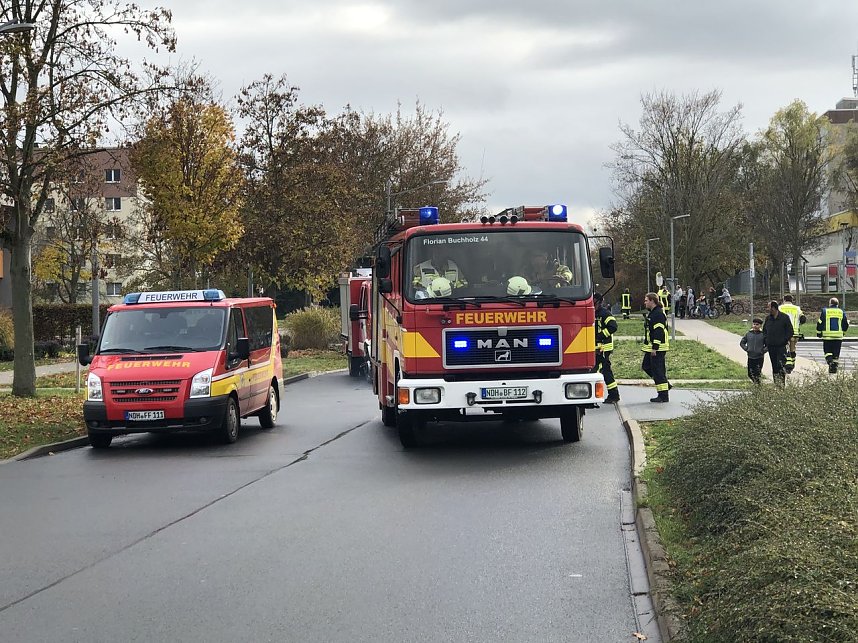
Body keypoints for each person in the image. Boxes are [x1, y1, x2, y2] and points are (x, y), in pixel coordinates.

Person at [641, 292, 670, 403]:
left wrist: (655, 347)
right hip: (652, 347)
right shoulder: (653, 313)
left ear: (652, 301)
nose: (645, 302)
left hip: (658, 347)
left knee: (658, 371)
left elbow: (658, 332)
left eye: (646, 300)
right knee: (646, 366)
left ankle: (663, 395)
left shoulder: (657, 314)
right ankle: (665, 384)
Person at [594, 291, 620, 403]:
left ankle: (614, 395)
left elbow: (613, 326)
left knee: (606, 371)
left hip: (604, 347)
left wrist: (600, 336)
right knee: (593, 371)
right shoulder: (593, 313)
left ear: (599, 303)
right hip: (595, 347)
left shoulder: (605, 314)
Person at [762, 300, 793, 386]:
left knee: (780, 366)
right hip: (771, 347)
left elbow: (790, 331)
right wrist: (766, 340)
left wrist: (784, 340)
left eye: (768, 307)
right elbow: (764, 331)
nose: (767, 309)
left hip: (781, 347)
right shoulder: (768, 319)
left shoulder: (784, 317)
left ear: (773, 308)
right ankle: (776, 384)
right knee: (774, 367)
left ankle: (781, 385)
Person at [816, 297, 849, 374]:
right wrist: (843, 332)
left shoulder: (825, 311)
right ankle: (833, 369)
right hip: (838, 337)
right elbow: (845, 324)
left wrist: (819, 332)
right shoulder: (841, 312)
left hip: (827, 337)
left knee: (827, 352)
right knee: (836, 354)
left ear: (830, 304)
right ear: (837, 304)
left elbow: (820, 323)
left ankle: (830, 361)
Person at [778, 294, 806, 373]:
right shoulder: (797, 308)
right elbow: (803, 319)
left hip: (782, 332)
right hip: (794, 332)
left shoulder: (780, 308)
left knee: (784, 348)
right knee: (792, 348)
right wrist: (798, 324)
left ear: (784, 300)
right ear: (792, 300)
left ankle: (787, 364)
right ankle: (791, 364)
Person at [739, 318, 766, 384]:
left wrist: (762, 351)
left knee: (757, 373)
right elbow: (742, 343)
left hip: (759, 357)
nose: (755, 326)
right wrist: (746, 349)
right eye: (754, 324)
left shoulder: (763, 334)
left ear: (760, 326)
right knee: (750, 374)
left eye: (757, 324)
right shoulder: (748, 334)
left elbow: (768, 345)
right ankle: (757, 384)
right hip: (750, 357)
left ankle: (758, 386)